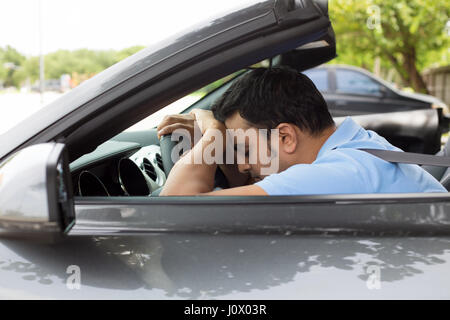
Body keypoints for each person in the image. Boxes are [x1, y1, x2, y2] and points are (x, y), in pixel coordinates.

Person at [158, 67, 446, 196]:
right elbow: (248, 176)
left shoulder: (331, 174)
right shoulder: (355, 143)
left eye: (244, 149)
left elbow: (176, 207)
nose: (243, 164)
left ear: (285, 137)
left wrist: (212, 132)